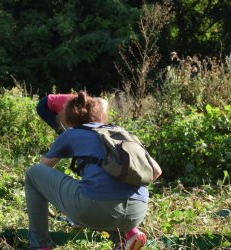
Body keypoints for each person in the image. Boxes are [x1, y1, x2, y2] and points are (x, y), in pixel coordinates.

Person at [25, 91, 162, 250]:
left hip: (95, 208)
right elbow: (157, 171)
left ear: (68, 120)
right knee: (102, 193)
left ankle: (40, 246)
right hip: (137, 213)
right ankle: (126, 235)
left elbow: (42, 169)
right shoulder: (121, 132)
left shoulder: (71, 133)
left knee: (33, 174)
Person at [36, 93, 108, 134]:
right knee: (62, 131)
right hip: (45, 106)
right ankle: (65, 150)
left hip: (50, 103)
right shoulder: (76, 105)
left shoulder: (87, 103)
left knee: (69, 131)